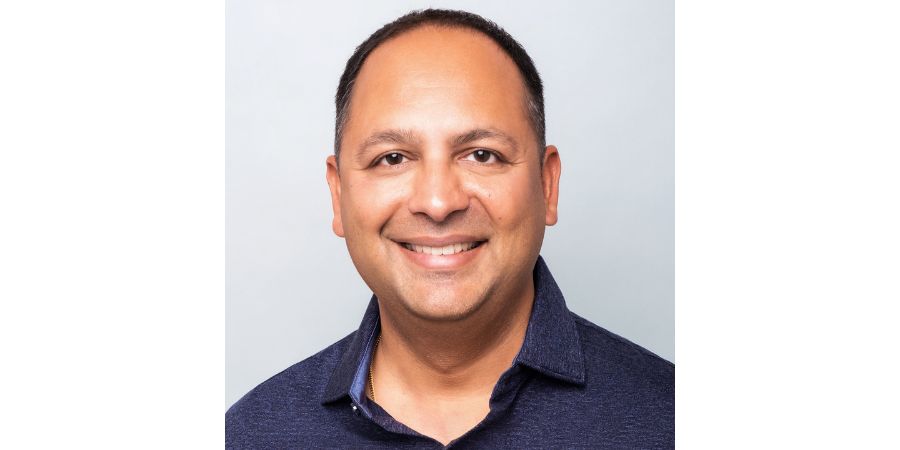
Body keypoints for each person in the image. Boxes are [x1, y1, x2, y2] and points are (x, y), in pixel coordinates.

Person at [226, 8, 673, 448]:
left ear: (547, 184)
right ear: (338, 194)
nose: (438, 203)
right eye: (392, 158)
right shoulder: (247, 436)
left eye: (482, 155)